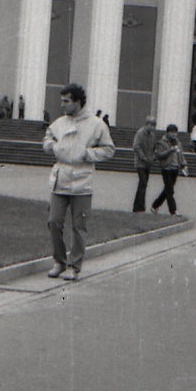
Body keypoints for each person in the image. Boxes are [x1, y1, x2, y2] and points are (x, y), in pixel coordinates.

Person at [43, 84, 115, 281]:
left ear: (78, 102)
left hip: (82, 182)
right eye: (62, 101)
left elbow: (109, 149)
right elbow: (47, 140)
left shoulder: (97, 124)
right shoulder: (59, 123)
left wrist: (87, 154)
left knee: (79, 226)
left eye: (66, 101)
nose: (62, 105)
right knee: (54, 222)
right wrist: (54, 147)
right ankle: (59, 261)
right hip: (60, 179)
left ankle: (75, 267)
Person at [151, 124, 187, 216]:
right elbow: (159, 155)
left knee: (168, 190)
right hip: (166, 168)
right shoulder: (161, 143)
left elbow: (181, 155)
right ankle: (173, 211)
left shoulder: (178, 143)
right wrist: (169, 151)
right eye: (171, 133)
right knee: (170, 190)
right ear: (167, 133)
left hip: (175, 168)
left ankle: (155, 205)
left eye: (175, 133)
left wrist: (184, 164)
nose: (174, 135)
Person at [131, 115, 157, 212]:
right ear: (146, 124)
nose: (152, 127)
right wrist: (143, 157)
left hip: (148, 163)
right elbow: (136, 146)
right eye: (151, 125)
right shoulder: (140, 133)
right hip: (140, 163)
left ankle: (137, 206)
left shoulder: (153, 136)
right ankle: (140, 207)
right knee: (143, 183)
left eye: (154, 126)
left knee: (142, 184)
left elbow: (154, 147)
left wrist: (153, 157)